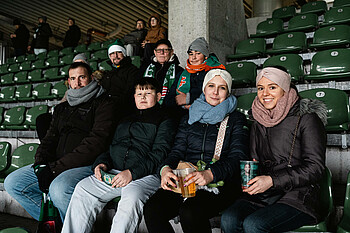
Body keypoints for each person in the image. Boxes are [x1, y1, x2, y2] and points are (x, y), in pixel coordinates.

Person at [4, 62, 117, 222]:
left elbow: (95, 143)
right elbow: (49, 138)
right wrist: (40, 163)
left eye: (82, 77)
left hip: (87, 164)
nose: (77, 83)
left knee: (59, 189)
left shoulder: (104, 103)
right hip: (57, 164)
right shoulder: (62, 108)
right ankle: (58, 224)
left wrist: (55, 168)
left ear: (91, 78)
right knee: (13, 182)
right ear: (68, 81)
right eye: (73, 78)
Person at [62, 77, 176, 233]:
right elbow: (112, 147)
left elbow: (159, 154)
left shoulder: (165, 119)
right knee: (83, 188)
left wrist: (132, 173)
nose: (142, 97)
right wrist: (102, 163)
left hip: (147, 174)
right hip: (116, 172)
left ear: (158, 96)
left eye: (148, 93)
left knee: (132, 195)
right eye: (139, 94)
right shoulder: (125, 119)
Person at [220, 67, 327, 233]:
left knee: (254, 225)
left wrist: (272, 180)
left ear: (285, 88)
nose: (265, 94)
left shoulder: (307, 118)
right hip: (265, 194)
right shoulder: (258, 118)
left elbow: (315, 167)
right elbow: (254, 160)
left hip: (298, 195)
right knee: (228, 219)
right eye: (261, 88)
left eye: (272, 87)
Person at [144, 69, 249, 233]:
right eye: (211, 86)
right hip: (188, 180)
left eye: (222, 88)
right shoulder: (189, 118)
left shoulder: (236, 119)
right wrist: (164, 169)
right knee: (153, 209)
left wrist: (211, 173)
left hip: (220, 182)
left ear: (228, 92)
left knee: (190, 212)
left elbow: (238, 156)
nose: (215, 92)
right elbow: (176, 151)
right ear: (204, 88)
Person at [163, 37, 226, 121]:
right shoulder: (182, 73)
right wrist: (178, 101)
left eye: (198, 53)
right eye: (191, 54)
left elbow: (215, 95)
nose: (194, 57)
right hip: (180, 113)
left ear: (205, 56)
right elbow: (168, 99)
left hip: (205, 114)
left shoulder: (214, 72)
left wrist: (188, 98)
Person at [98, 39, 139, 117]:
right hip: (105, 108)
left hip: (123, 110)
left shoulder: (132, 71)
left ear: (124, 54)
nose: (115, 56)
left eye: (118, 52)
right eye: (112, 53)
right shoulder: (108, 74)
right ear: (109, 57)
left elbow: (129, 92)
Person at [140, 39, 183, 105]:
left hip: (169, 107)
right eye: (159, 50)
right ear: (154, 52)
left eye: (165, 50)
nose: (162, 53)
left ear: (171, 52)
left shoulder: (179, 71)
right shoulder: (145, 69)